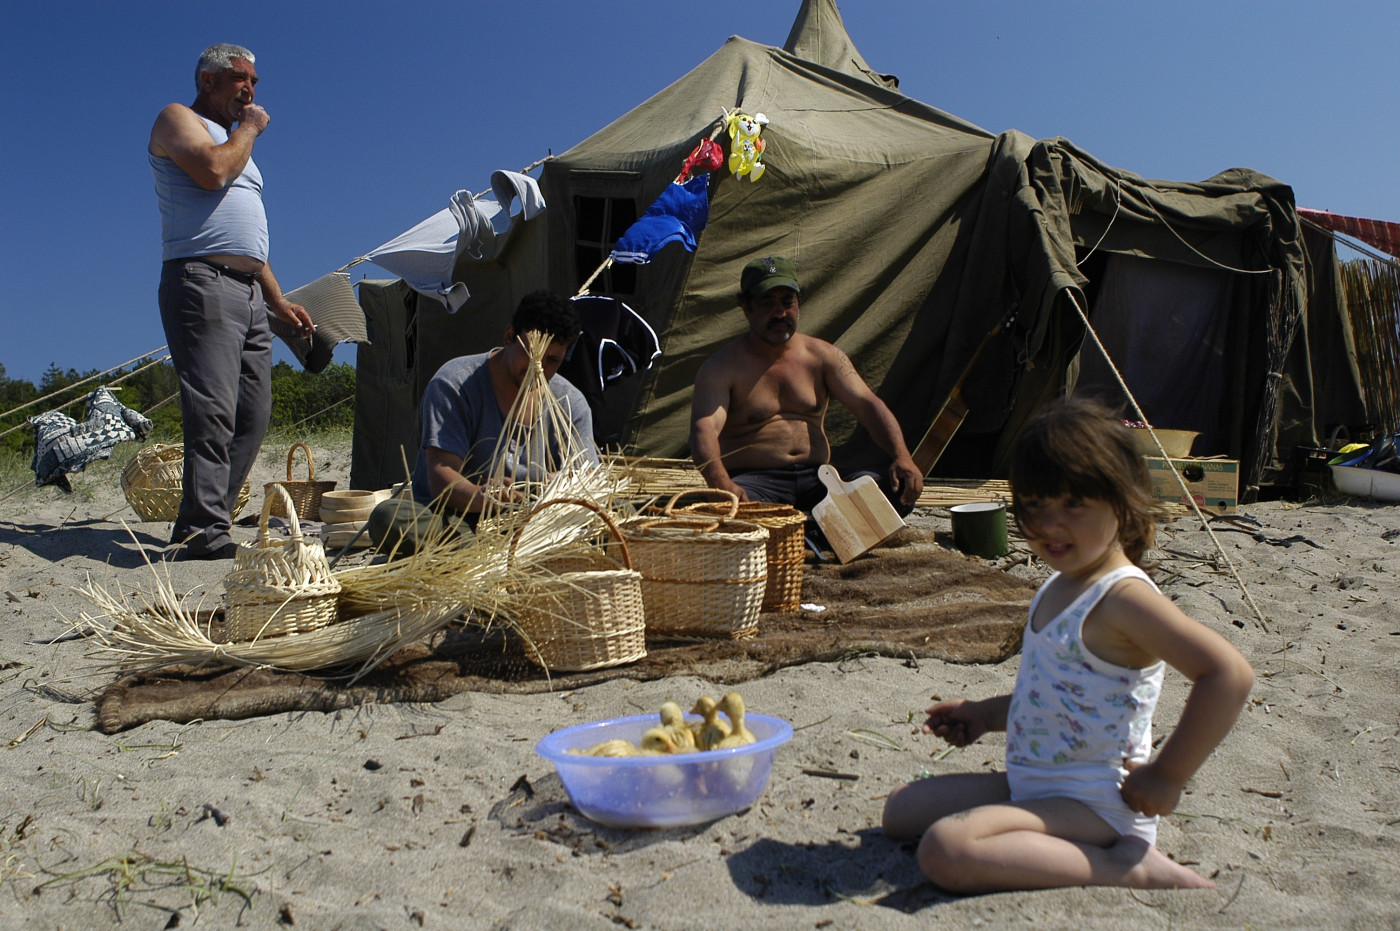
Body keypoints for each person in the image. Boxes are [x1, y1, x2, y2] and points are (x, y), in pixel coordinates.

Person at [881, 396, 1255, 893]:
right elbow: (1058, 695)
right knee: (901, 811)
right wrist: (986, 714)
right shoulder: (1060, 583)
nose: (1051, 524)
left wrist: (1168, 775)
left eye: (1074, 503)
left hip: (1096, 801)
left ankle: (1128, 865)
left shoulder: (1123, 597)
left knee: (947, 850)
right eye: (1035, 505)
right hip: (1033, 782)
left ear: (1121, 502)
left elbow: (1228, 674)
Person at [150, 43, 315, 559]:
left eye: (255, 82)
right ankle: (202, 529)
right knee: (214, 408)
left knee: (254, 412)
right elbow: (213, 173)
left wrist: (278, 299)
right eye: (240, 79)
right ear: (208, 81)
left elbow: (247, 238)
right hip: (200, 280)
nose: (250, 89)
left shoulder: (235, 141)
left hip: (247, 290)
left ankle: (208, 520)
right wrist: (250, 128)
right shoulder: (178, 120)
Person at [689, 256, 922, 516]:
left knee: (897, 489)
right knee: (732, 510)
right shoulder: (721, 367)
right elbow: (705, 428)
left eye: (787, 303)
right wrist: (720, 482)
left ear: (799, 303)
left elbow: (867, 405)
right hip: (756, 484)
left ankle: (814, 525)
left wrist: (902, 455)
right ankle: (814, 526)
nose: (779, 314)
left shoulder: (823, 356)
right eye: (767, 304)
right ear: (746, 308)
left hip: (819, 478)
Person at [409, 291, 599, 520]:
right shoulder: (455, 383)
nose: (537, 368)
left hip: (535, 518)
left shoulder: (570, 403)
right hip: (459, 512)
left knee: (619, 510)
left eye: (552, 360)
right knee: (391, 518)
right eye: (531, 354)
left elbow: (587, 477)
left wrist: (564, 483)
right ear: (509, 337)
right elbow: (442, 471)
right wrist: (480, 497)